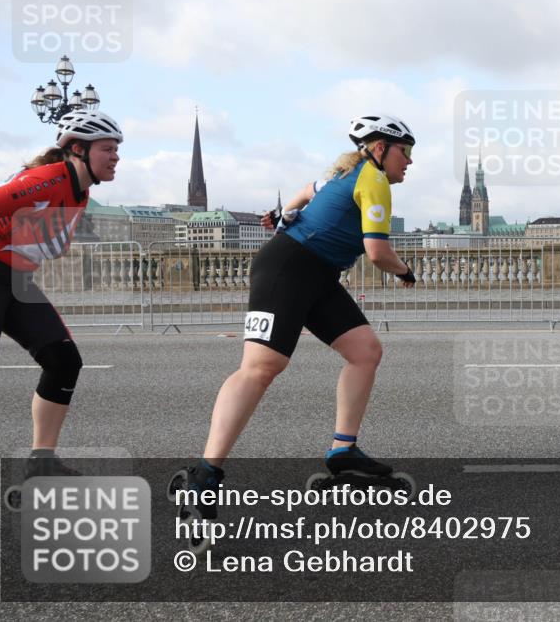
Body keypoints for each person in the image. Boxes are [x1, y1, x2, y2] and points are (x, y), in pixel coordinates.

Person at [178, 114, 417, 519]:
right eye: (405, 152)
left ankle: (343, 451)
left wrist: (286, 216)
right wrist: (406, 272)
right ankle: (205, 473)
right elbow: (377, 252)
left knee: (365, 351)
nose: (409, 162)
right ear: (380, 149)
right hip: (288, 267)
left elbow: (308, 190)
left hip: (317, 273)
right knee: (262, 366)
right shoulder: (372, 179)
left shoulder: (348, 174)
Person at [0, 110, 123, 478]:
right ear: (78, 148)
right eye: (108, 148)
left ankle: (41, 462)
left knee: (64, 361)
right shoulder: (45, 179)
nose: (116, 157)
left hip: (16, 282)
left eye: (117, 150)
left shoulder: (81, 192)